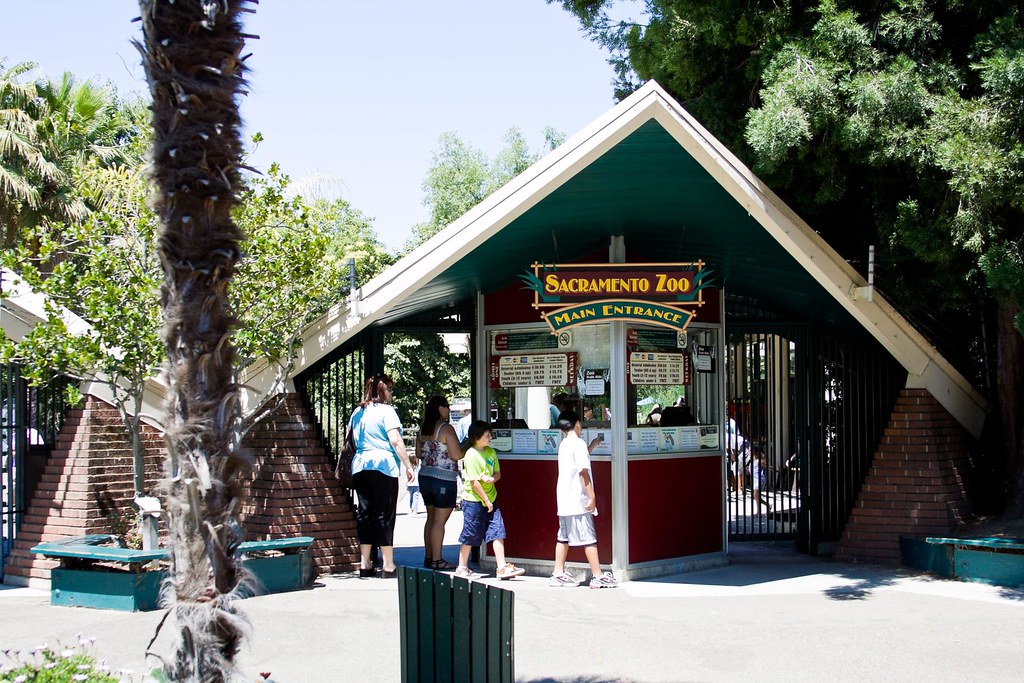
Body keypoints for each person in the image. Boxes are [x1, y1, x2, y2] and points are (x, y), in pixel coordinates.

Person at [350, 372, 414, 579]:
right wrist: (408, 465)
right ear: (381, 390)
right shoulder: (387, 411)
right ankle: (388, 564)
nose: (391, 393)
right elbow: (395, 440)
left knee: (365, 513)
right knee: (385, 514)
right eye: (389, 389)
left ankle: (365, 563)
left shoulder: (357, 412)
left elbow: (351, 440)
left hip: (360, 466)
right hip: (383, 466)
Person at [549, 409, 618, 588]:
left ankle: (558, 573)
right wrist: (592, 496)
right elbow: (582, 472)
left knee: (563, 537)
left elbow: (576, 462)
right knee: (588, 537)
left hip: (564, 499)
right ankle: (597, 575)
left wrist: (592, 447)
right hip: (578, 499)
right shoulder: (578, 443)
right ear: (577, 424)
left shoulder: (565, 444)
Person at [455, 420, 525, 580]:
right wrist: (486, 500)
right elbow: (473, 482)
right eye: (487, 434)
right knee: (470, 533)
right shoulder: (471, 455)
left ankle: (502, 567)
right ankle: (462, 567)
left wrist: (491, 479)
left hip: (491, 498)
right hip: (473, 501)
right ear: (477, 437)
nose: (490, 437)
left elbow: (498, 473)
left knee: (497, 530)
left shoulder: (491, 452)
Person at [415, 395, 464, 570]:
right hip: (443, 478)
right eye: (446, 407)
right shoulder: (446, 429)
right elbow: (456, 454)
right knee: (439, 522)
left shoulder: (423, 429)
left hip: (425, 476)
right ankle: (437, 559)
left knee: (430, 518)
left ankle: (429, 556)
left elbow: (419, 454)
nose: (449, 410)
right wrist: (466, 445)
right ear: (440, 409)